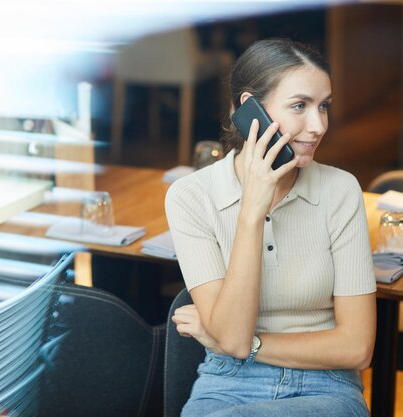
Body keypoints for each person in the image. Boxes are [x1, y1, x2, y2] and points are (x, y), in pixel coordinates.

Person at [165, 38, 376, 417]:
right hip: (227, 381)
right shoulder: (190, 196)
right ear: (250, 111)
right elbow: (230, 338)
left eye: (323, 106)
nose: (318, 126)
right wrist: (252, 209)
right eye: (300, 106)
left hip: (328, 383)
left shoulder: (341, 190)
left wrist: (252, 343)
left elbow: (357, 348)